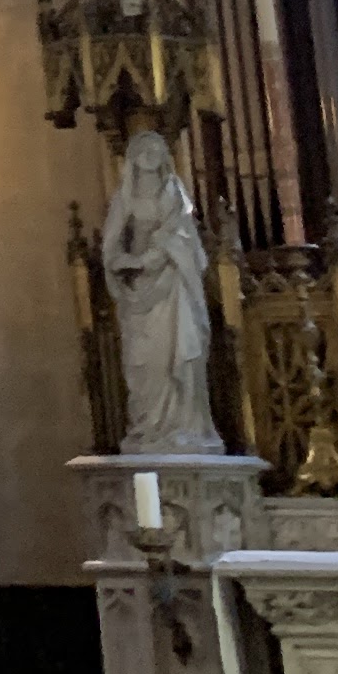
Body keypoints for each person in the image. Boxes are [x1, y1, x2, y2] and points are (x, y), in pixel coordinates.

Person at [101, 126, 222, 456]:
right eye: (143, 150)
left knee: (181, 352)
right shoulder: (125, 198)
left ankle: (185, 427)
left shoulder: (175, 192)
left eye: (156, 149)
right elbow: (110, 249)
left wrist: (164, 251)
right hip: (142, 291)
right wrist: (132, 262)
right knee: (148, 364)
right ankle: (151, 428)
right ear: (132, 159)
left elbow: (186, 236)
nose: (149, 155)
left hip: (175, 284)